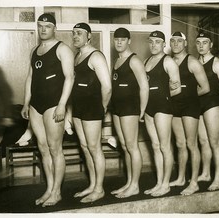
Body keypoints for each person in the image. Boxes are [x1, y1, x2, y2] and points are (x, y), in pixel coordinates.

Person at [21, 13, 75, 207]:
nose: (43, 29)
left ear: (55, 28)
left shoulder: (63, 49)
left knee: (55, 148)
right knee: (43, 148)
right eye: (40, 26)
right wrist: (26, 102)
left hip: (54, 104)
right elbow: (30, 78)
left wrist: (62, 104)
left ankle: (57, 192)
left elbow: (69, 77)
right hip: (36, 105)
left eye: (47, 26)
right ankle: (49, 189)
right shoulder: (35, 50)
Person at [71, 23, 112, 203]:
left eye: (79, 33)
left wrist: (102, 108)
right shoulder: (77, 56)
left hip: (93, 108)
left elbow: (107, 87)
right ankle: (92, 184)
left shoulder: (96, 56)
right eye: (73, 33)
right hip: (78, 109)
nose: (75, 36)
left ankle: (100, 189)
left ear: (89, 36)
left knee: (94, 148)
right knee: (85, 148)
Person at [110, 28, 149, 198]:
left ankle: (135, 185)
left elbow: (144, 86)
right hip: (117, 108)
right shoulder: (117, 61)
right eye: (116, 39)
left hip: (130, 109)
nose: (119, 42)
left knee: (132, 146)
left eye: (122, 39)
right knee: (125, 146)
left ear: (129, 41)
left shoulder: (134, 61)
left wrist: (141, 110)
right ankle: (129, 182)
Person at [169, 31, 210, 195]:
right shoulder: (169, 62)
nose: (176, 44)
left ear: (185, 44)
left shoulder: (192, 62)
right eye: (173, 41)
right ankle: (180, 178)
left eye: (179, 41)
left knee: (191, 144)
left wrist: (188, 95)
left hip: (190, 106)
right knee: (179, 144)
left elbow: (205, 87)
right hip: (174, 106)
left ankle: (193, 182)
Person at [144, 30, 181, 197]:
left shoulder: (169, 62)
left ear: (163, 44)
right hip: (148, 108)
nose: (153, 45)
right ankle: (159, 182)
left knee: (165, 146)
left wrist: (164, 96)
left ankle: (166, 184)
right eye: (151, 42)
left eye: (157, 42)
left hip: (163, 108)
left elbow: (177, 88)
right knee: (155, 146)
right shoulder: (146, 62)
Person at [195, 32, 219, 191]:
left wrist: (214, 91)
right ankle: (205, 173)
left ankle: (217, 178)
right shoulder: (195, 62)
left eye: (205, 42)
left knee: (214, 142)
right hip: (198, 105)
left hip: (212, 104)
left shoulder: (216, 63)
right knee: (203, 141)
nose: (201, 45)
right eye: (198, 42)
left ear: (211, 45)